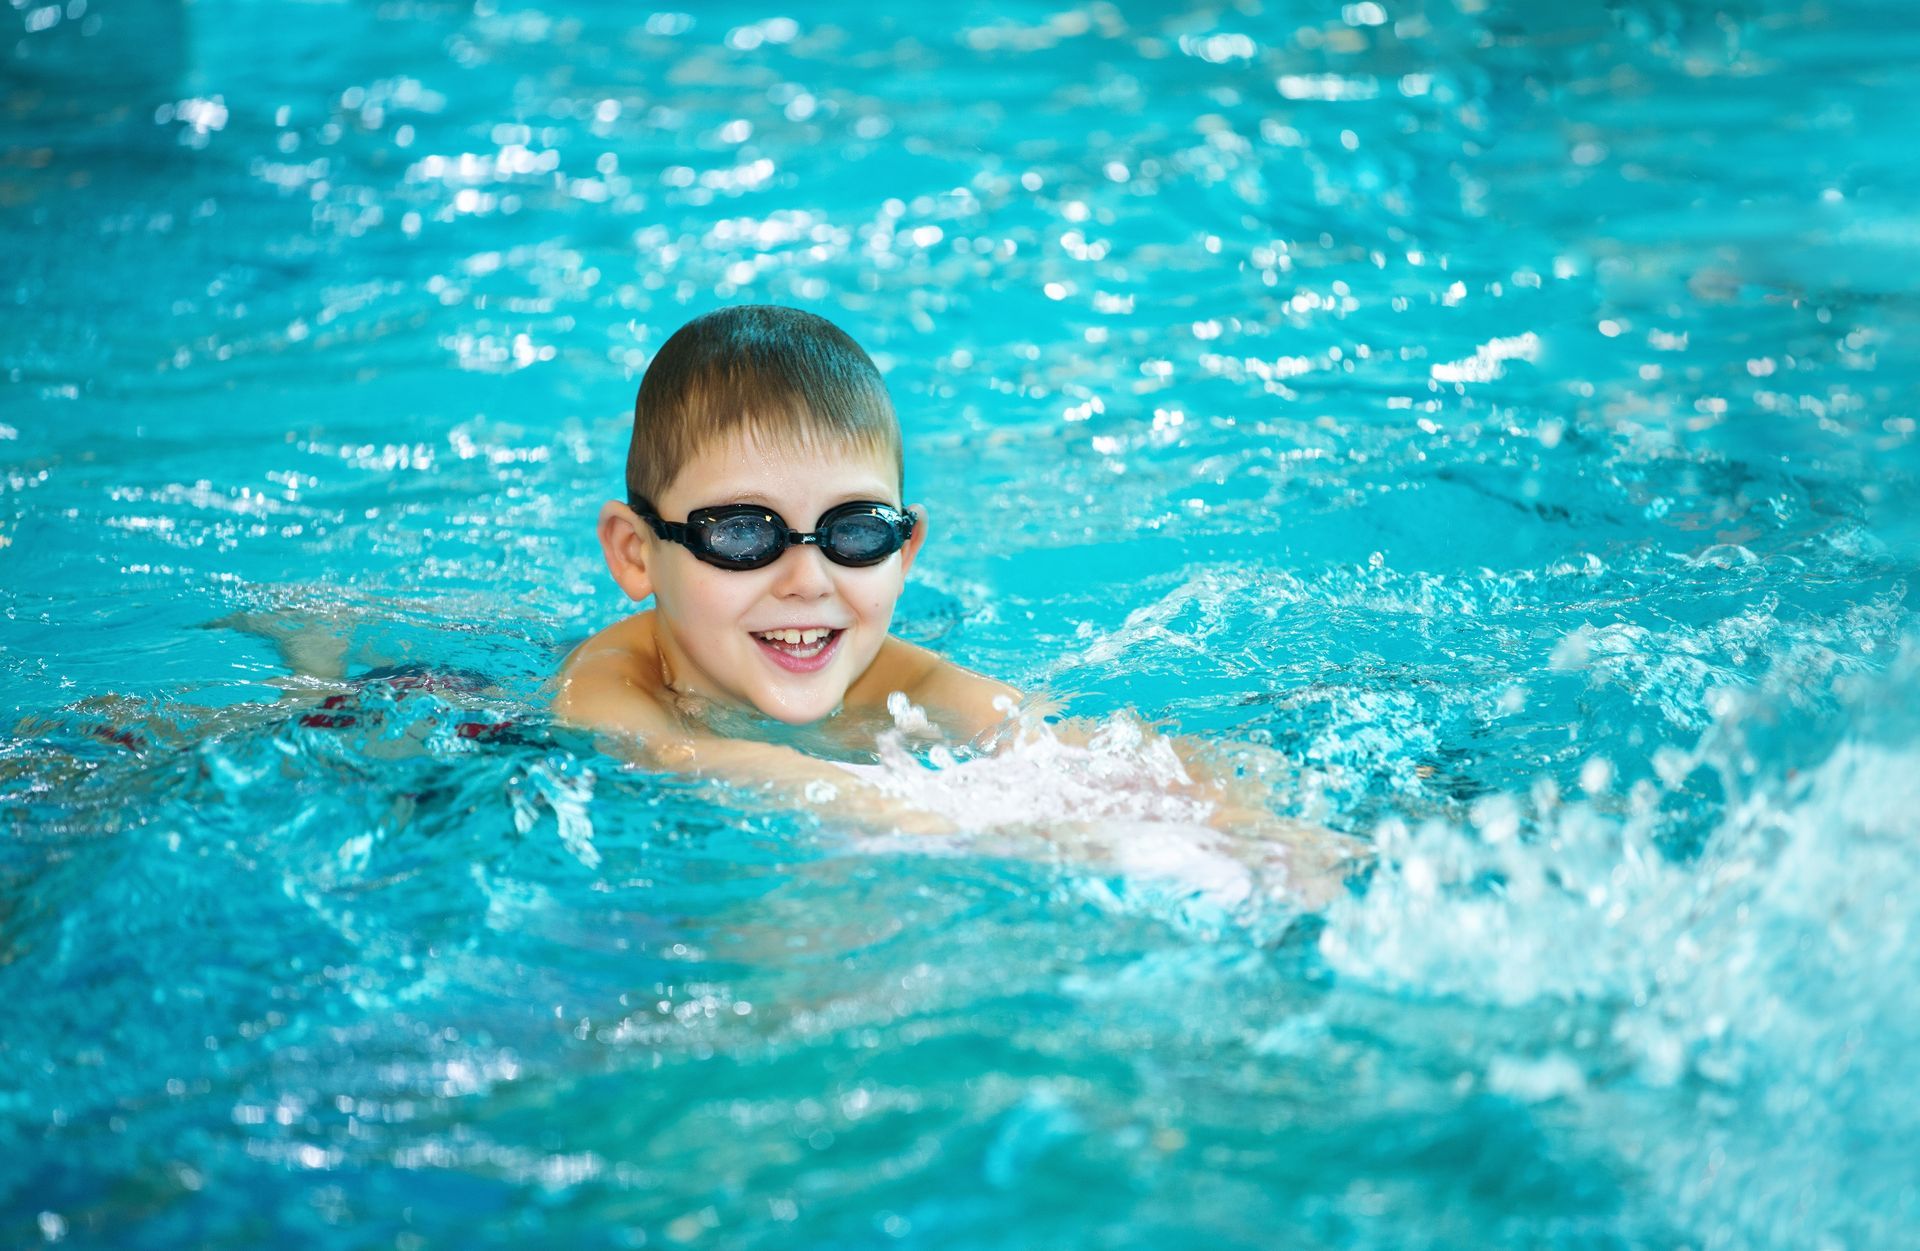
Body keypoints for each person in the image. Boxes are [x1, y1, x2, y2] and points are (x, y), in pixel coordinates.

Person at [554, 305, 1358, 898]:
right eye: (740, 534)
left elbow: (1063, 749)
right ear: (636, 553)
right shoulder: (609, 683)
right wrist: (946, 824)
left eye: (856, 532)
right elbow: (693, 760)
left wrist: (1266, 827)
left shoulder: (904, 683)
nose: (808, 580)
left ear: (905, 552)